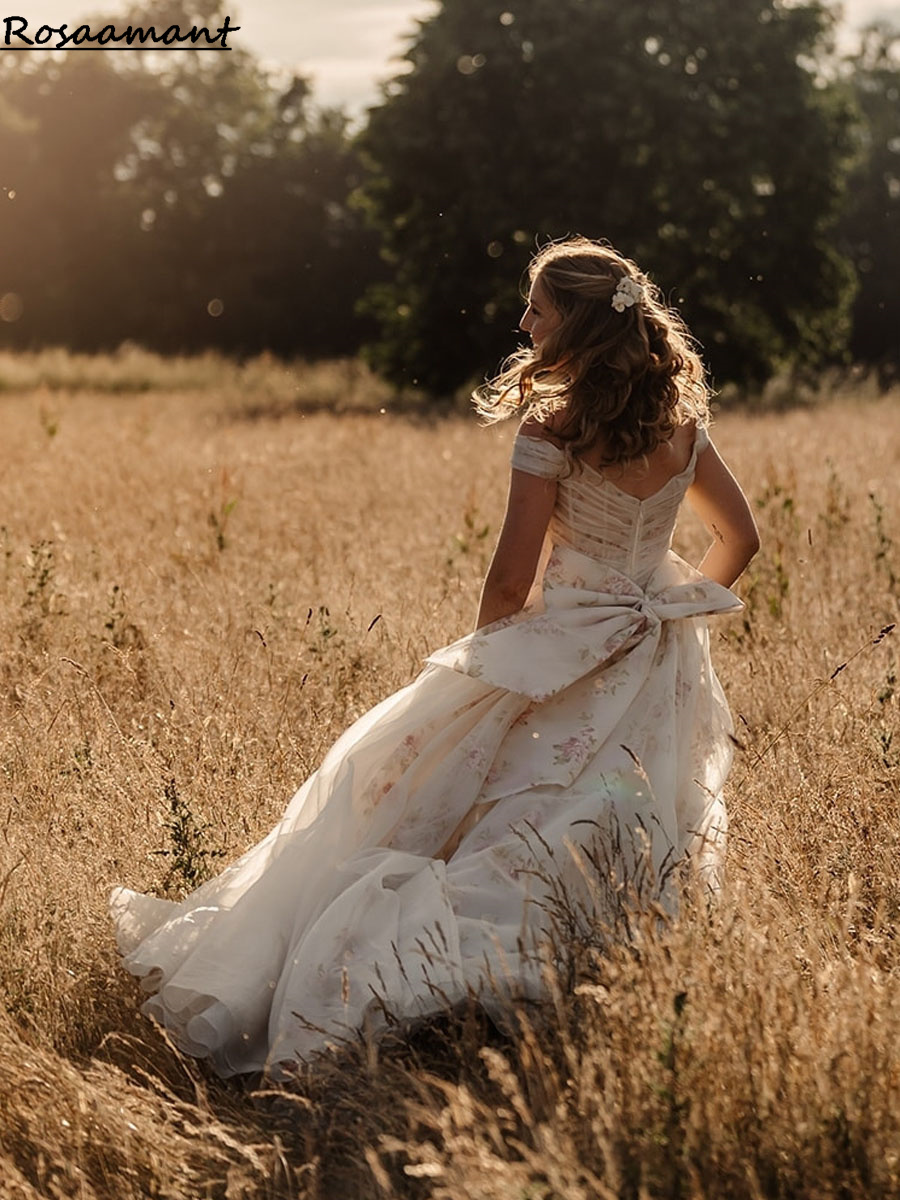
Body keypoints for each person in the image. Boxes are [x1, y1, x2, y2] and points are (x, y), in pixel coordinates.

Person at [111, 237, 759, 1079]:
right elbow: (740, 539)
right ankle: (596, 972)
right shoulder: (683, 427)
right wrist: (669, 607)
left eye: (538, 308)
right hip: (653, 657)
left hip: (557, 645)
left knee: (463, 802)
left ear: (579, 327)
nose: (523, 321)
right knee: (626, 819)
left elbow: (508, 578)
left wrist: (500, 659)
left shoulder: (553, 429)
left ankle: (419, 968)